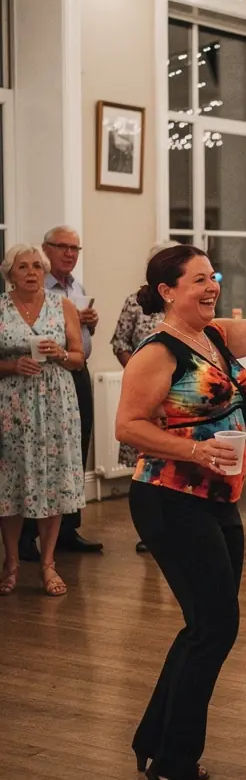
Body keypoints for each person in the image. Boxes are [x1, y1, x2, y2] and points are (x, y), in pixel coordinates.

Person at [116, 210, 246, 780]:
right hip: (170, 498)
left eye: (213, 276)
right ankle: (175, 764)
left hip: (219, 499)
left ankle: (154, 741)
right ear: (167, 292)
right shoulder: (157, 351)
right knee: (214, 626)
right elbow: (128, 427)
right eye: (197, 280)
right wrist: (196, 448)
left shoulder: (219, 336)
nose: (211, 286)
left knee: (207, 625)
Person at [0, 245, 86, 597]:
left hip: (56, 401)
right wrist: (10, 366)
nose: (32, 272)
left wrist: (61, 353)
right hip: (12, 402)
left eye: (38, 266)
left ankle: (48, 564)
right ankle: (11, 562)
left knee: (53, 479)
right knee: (11, 481)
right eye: (24, 266)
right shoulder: (1, 307)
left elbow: (79, 358)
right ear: (10, 274)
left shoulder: (62, 305)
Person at [40, 225, 102, 554]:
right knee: (43, 451)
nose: (69, 253)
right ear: (45, 249)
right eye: (62, 246)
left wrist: (89, 322)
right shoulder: (37, 288)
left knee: (78, 446)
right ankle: (27, 535)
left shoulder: (75, 286)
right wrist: (70, 319)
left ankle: (68, 528)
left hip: (78, 370)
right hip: (47, 375)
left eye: (75, 249)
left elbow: (80, 336)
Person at [111, 243, 176, 553]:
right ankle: (149, 531)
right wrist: (140, 377)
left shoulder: (185, 301)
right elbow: (120, 342)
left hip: (177, 399)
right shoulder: (135, 302)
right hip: (145, 398)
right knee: (146, 466)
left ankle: (178, 526)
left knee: (175, 463)